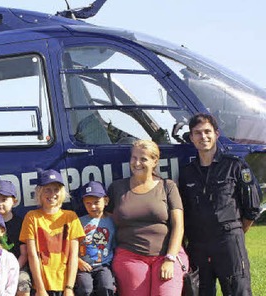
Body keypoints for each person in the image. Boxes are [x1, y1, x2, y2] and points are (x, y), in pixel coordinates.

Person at [179, 113, 261, 296]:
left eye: (207, 131)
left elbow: (251, 208)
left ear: (216, 134)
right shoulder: (186, 173)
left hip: (229, 242)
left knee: (237, 291)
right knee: (198, 292)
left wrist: (233, 232)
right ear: (191, 138)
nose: (203, 137)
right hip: (198, 245)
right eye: (197, 133)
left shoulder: (235, 166)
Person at [107, 140, 187, 296]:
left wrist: (170, 258)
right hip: (129, 257)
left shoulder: (168, 186)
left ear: (155, 161)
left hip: (166, 255)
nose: (137, 163)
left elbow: (179, 226)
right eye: (133, 158)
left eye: (143, 159)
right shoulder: (116, 188)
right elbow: (107, 223)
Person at [20, 169, 84, 296]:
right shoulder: (32, 217)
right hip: (42, 286)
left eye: (56, 189)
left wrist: (69, 287)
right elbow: (32, 255)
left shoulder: (71, 217)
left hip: (65, 285)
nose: (52, 194)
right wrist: (40, 288)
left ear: (62, 192)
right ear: (39, 192)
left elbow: (73, 256)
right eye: (47, 189)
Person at [0, 179, 31, 296]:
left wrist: (12, 270)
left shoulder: (20, 223)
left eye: (4, 199)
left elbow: (24, 254)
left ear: (14, 201)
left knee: (23, 284)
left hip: (18, 267)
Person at [75, 181, 116, 296]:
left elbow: (115, 245)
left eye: (96, 202)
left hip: (104, 265)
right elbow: (70, 245)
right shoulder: (78, 221)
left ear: (106, 201)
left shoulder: (112, 220)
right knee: (85, 288)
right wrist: (78, 261)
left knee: (106, 286)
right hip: (83, 265)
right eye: (88, 203)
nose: (92, 206)